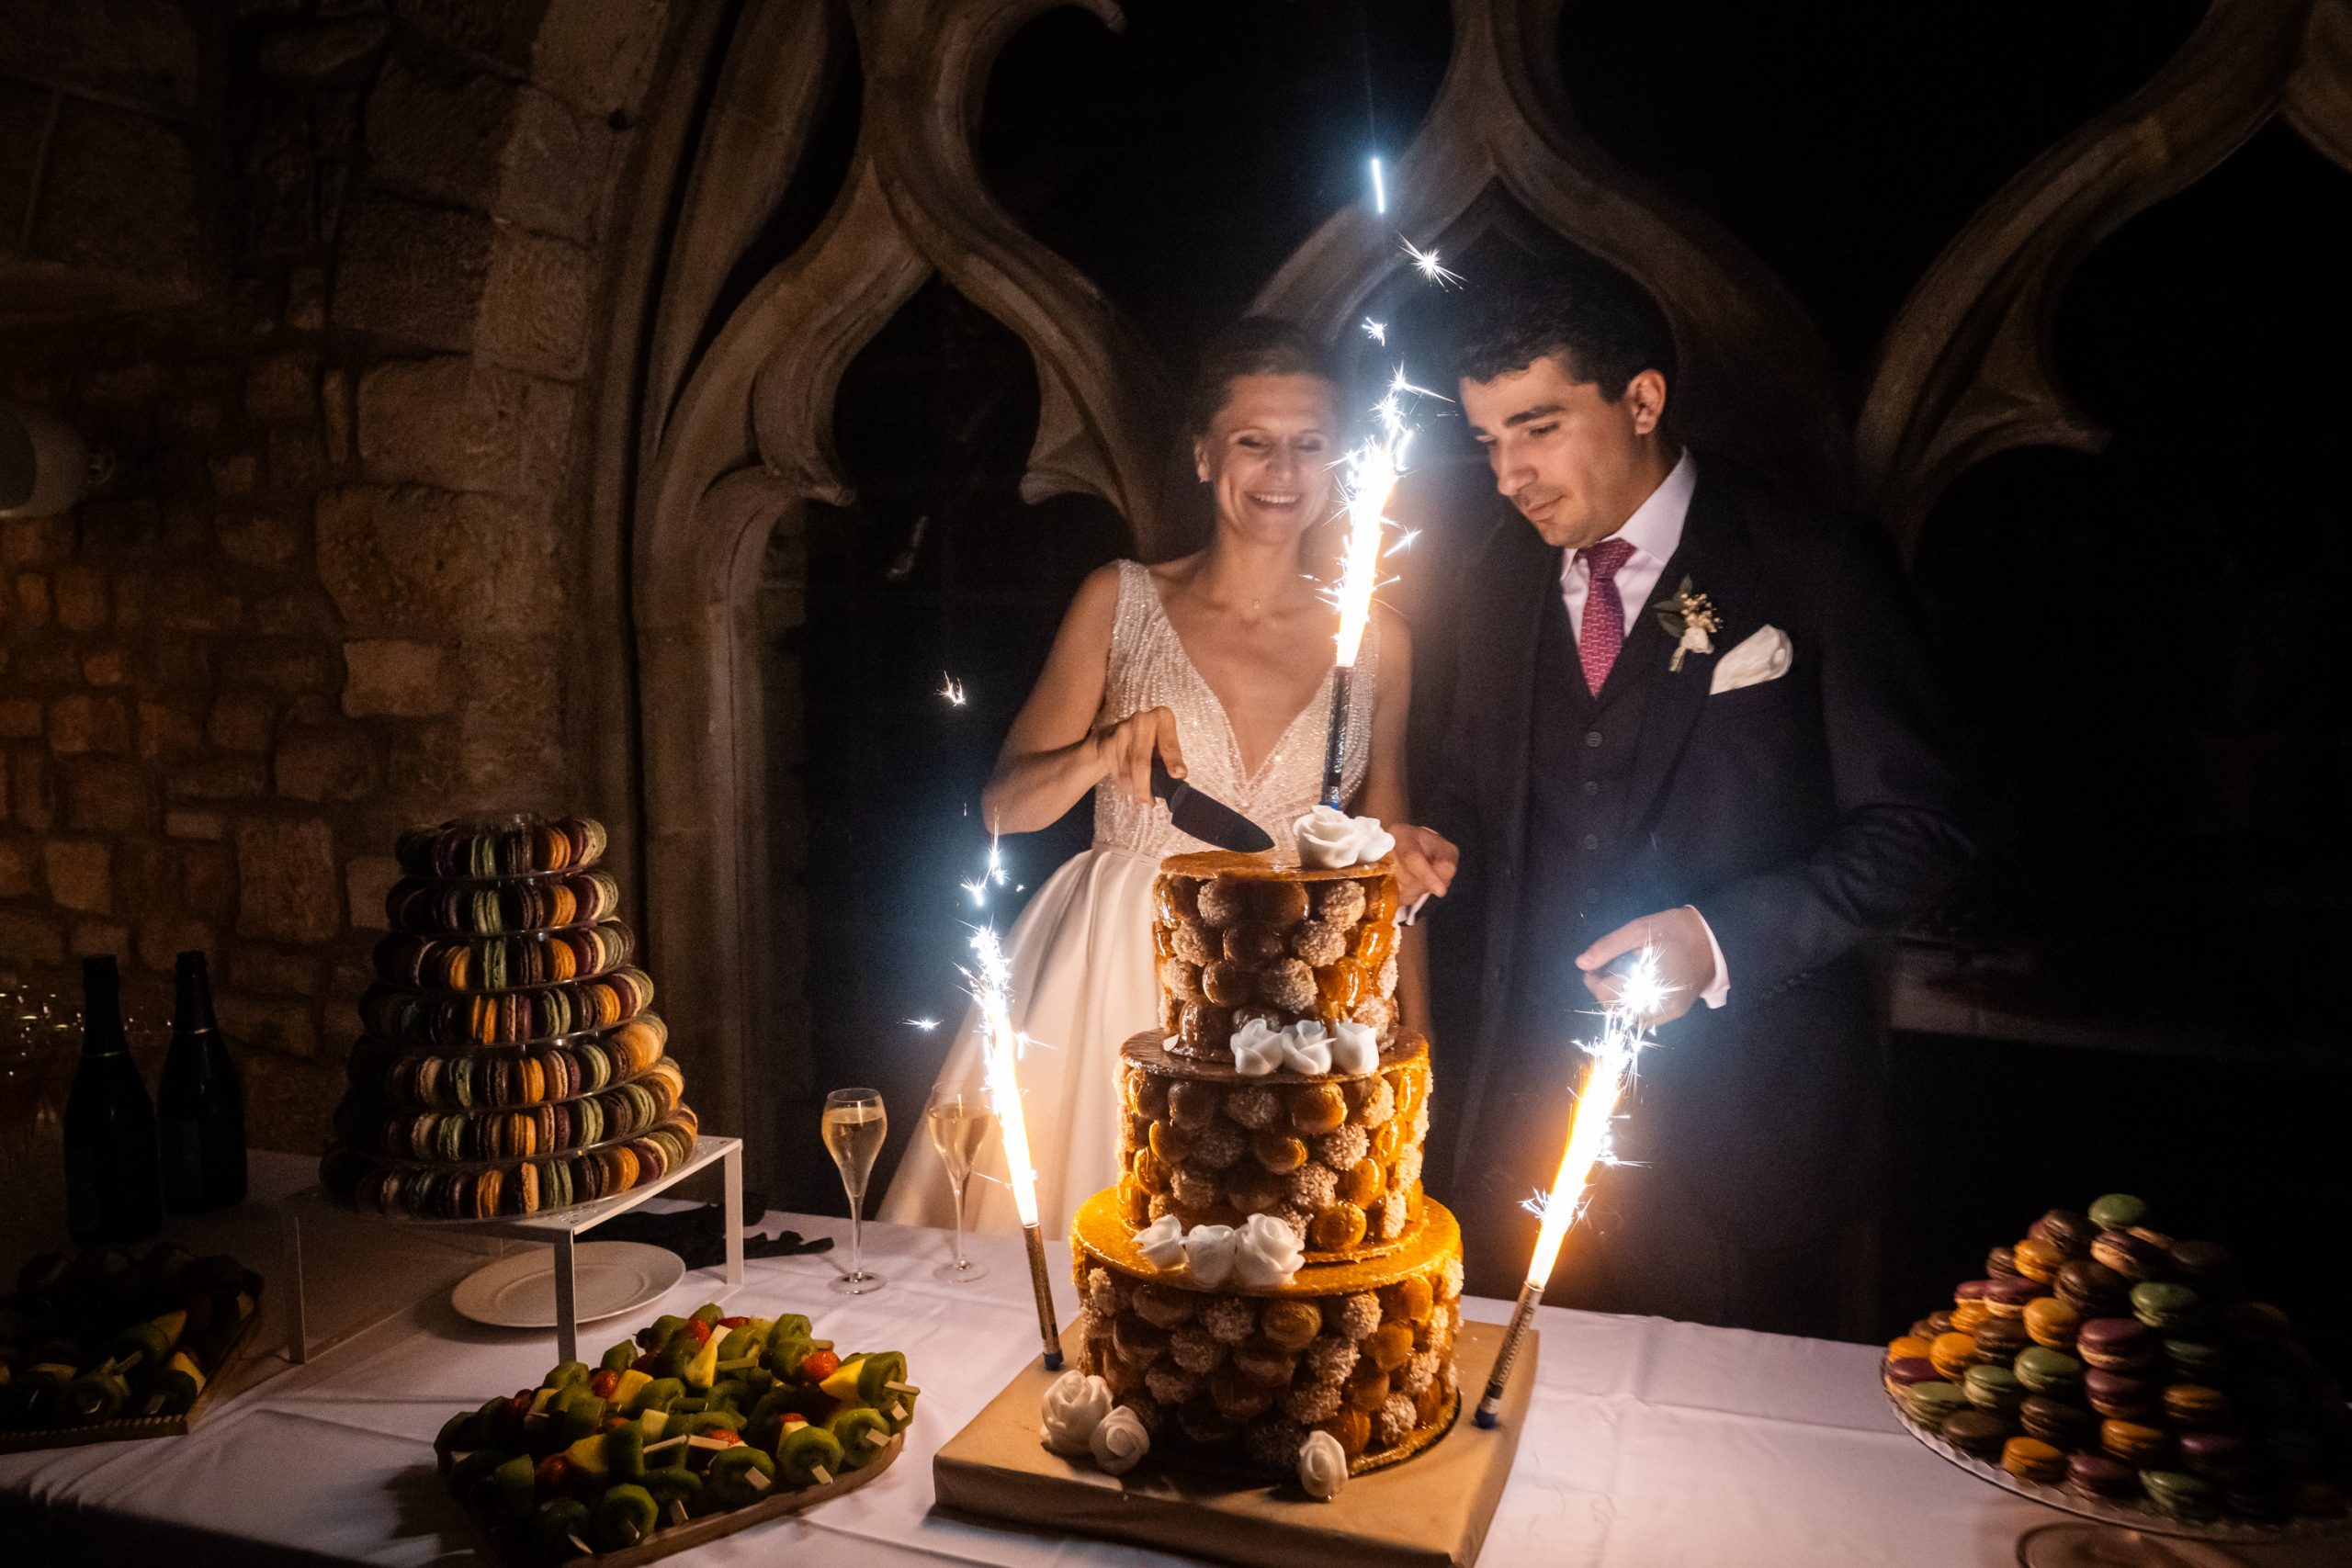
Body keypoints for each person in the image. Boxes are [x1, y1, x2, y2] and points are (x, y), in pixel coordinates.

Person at [1393, 268, 1973, 1335]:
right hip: (1520, 1124)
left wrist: (1717, 942)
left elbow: (1921, 831)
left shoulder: (1811, 564)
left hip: (1739, 1140)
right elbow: (1473, 793)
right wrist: (1432, 843)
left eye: (1538, 428)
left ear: (1642, 401)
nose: (1510, 476)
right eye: (1487, 441)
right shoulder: (1496, 581)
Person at [881, 317, 1425, 1235]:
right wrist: (1102, 752)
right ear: (1205, 455)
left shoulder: (1379, 640)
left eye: (1309, 445)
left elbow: (1390, 873)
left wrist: (1416, 1045)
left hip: (1295, 992)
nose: (1282, 471)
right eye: (1253, 442)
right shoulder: (1119, 598)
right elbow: (1005, 808)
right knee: (1091, 1244)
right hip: (1113, 973)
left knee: (1273, 1271)